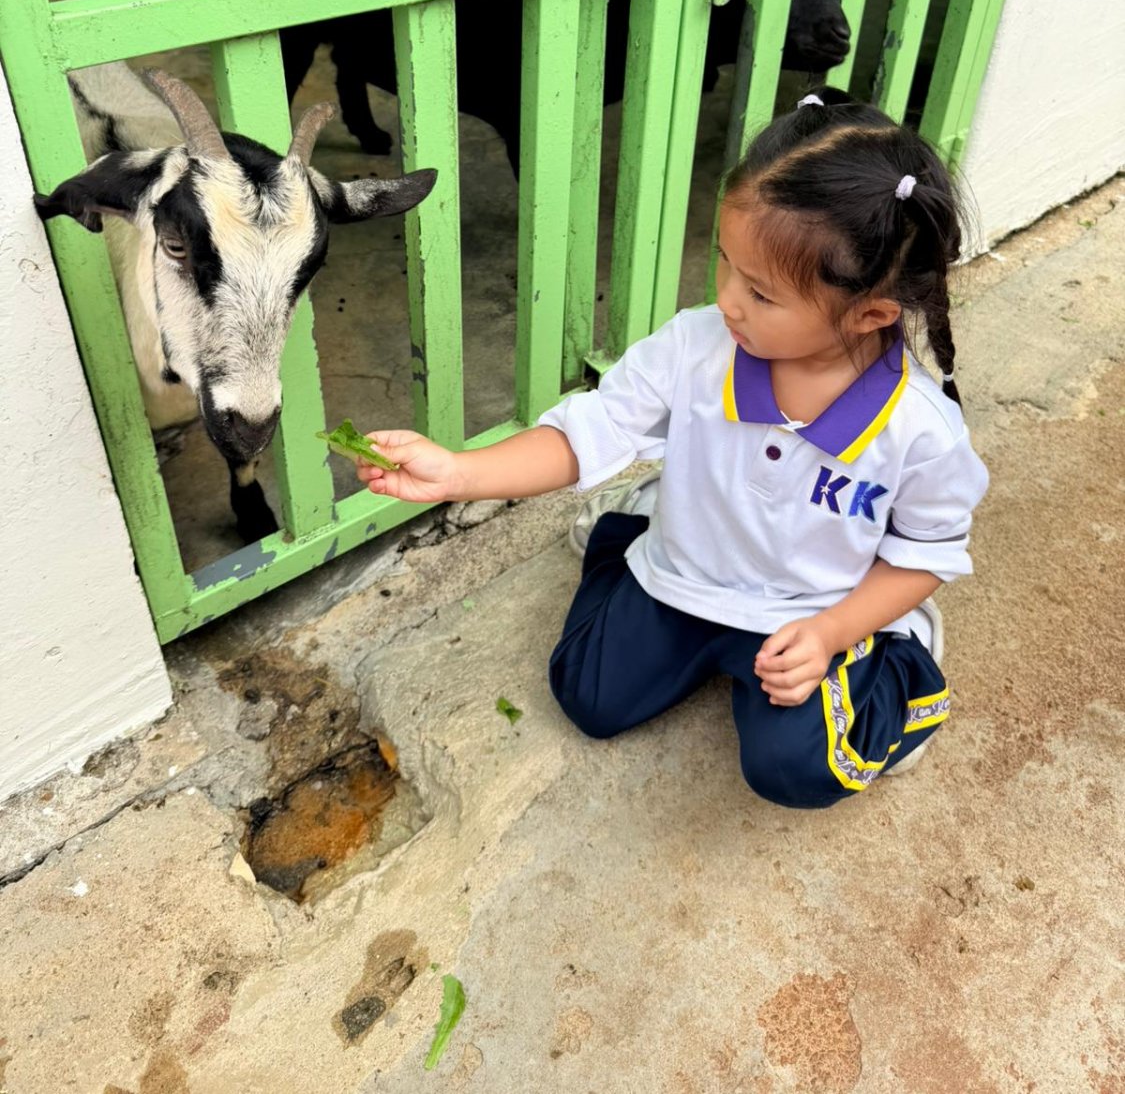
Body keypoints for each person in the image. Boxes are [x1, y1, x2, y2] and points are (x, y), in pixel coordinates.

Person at [355, 93, 988, 808]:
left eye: (761, 294)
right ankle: (641, 517)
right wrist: (457, 473)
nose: (728, 301)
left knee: (794, 771)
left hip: (814, 609)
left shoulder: (921, 433)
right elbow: (589, 431)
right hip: (685, 572)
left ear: (871, 313)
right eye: (725, 264)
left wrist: (829, 632)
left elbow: (924, 553)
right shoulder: (696, 345)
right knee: (586, 697)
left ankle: (894, 665)